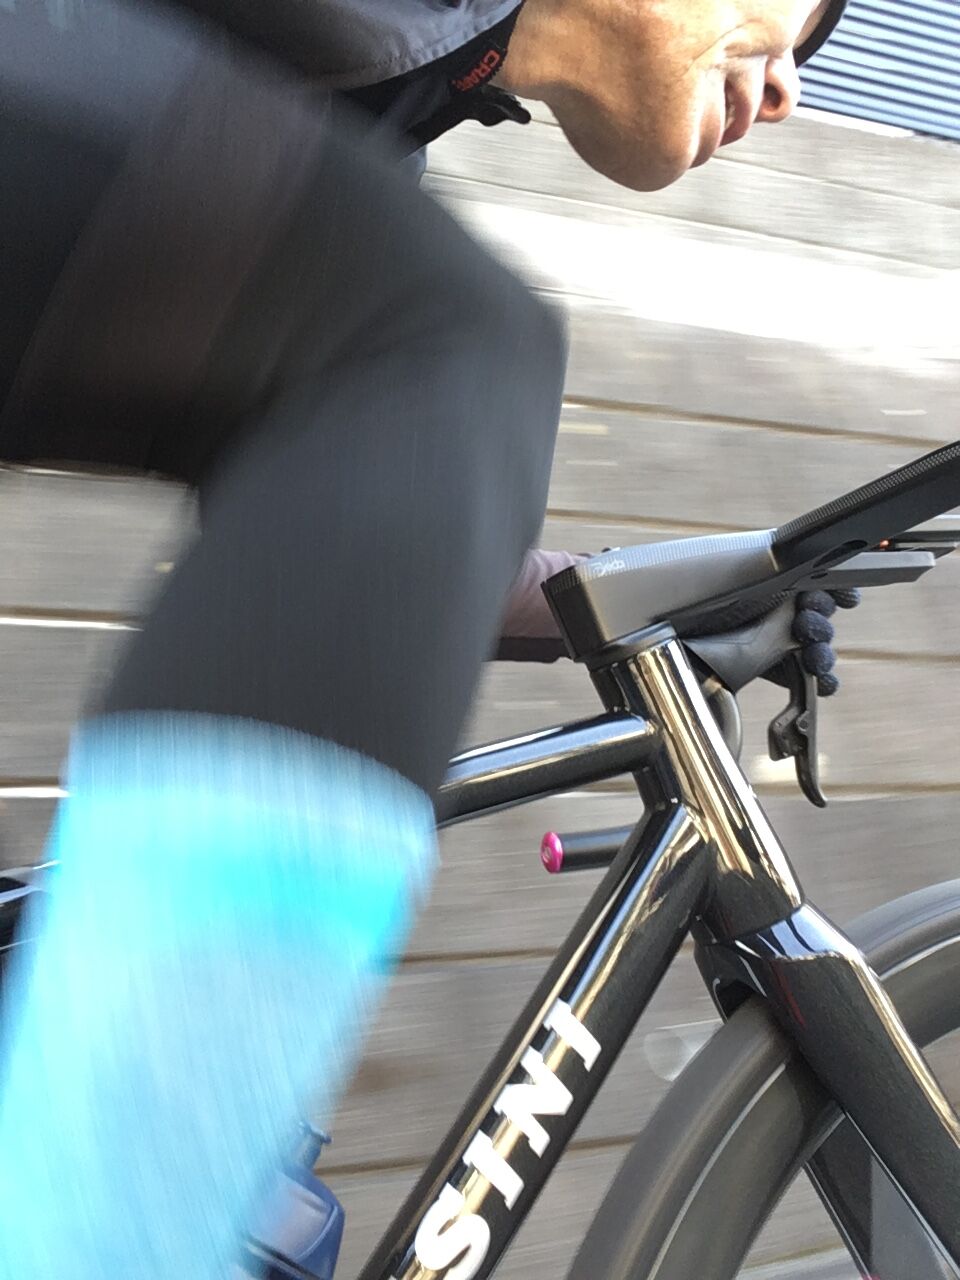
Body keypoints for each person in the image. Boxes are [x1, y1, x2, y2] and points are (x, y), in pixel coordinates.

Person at [0, 0, 846, 1275]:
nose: (791, 88)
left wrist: (669, 590)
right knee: (455, 340)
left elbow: (342, 532)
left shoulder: (385, 115)